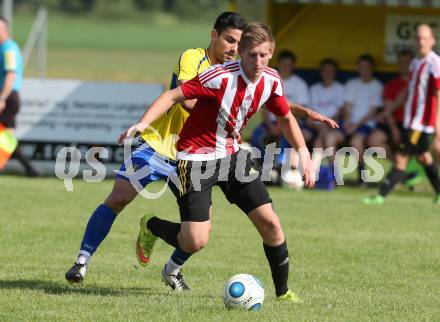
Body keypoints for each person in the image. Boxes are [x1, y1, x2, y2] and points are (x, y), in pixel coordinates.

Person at [121, 22, 315, 302]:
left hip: (232, 156)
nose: (258, 61)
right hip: (195, 159)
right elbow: (173, 95)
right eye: (252, 55)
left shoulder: (271, 80)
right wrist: (142, 124)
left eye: (264, 55)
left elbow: (284, 117)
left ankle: (283, 293)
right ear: (241, 53)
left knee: (271, 224)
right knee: (196, 241)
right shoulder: (219, 76)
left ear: (271, 53)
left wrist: (304, 153)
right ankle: (151, 225)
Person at [65, 12, 248, 283]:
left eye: (239, 44)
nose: (233, 49)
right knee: (118, 198)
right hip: (158, 146)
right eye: (229, 40)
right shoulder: (193, 57)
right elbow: (187, 100)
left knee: (200, 232)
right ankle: (81, 262)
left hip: (194, 157)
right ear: (214, 36)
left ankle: (169, 265)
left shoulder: (236, 73)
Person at [364, 24, 440, 205]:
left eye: (424, 37)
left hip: (422, 123)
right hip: (410, 120)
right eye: (418, 37)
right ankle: (435, 189)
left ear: (432, 41)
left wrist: (437, 123)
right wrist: (389, 110)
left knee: (401, 157)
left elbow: (438, 94)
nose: (421, 41)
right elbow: (407, 92)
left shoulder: (435, 63)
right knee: (423, 156)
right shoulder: (415, 63)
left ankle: (381, 195)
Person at [0, 17, 37, 177]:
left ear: (5, 30)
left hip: (8, 96)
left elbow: (11, 74)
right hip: (7, 95)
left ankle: (30, 169)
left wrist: (2, 98)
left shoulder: (8, 49)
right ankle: (31, 170)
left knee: (5, 137)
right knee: (6, 137)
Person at [343, 54, 383, 184]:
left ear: (372, 69)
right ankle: (332, 176)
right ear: (358, 69)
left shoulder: (377, 86)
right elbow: (347, 106)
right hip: (350, 124)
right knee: (329, 137)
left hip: (367, 124)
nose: (364, 70)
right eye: (361, 67)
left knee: (356, 141)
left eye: (367, 67)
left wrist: (355, 126)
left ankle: (361, 174)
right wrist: (348, 122)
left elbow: (372, 112)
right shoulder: (351, 84)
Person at [367, 50, 414, 158]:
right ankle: (396, 166)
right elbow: (388, 110)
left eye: (408, 62)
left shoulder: (419, 83)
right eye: (402, 62)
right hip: (396, 122)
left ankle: (404, 167)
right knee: (374, 140)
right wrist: (394, 129)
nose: (405, 65)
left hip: (414, 124)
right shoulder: (392, 85)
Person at [309, 58, 345, 178]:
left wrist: (326, 124)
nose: (328, 73)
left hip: (335, 127)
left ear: (335, 72)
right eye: (325, 70)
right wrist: (319, 125)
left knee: (325, 140)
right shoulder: (314, 89)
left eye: (331, 71)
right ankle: (315, 176)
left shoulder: (340, 88)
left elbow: (340, 112)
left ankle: (321, 176)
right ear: (321, 72)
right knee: (319, 141)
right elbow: (310, 112)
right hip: (316, 126)